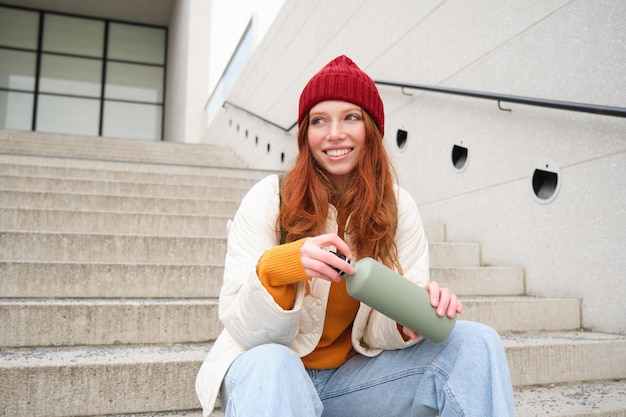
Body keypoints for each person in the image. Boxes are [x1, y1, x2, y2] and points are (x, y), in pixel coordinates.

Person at [195, 55, 515, 417]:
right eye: (319, 120)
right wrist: (280, 267)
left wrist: (407, 320)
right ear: (306, 134)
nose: (334, 134)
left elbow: (377, 332)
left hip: (350, 383)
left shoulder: (397, 207)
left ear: (371, 130)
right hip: (266, 378)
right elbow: (244, 328)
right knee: (274, 363)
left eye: (350, 117)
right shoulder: (270, 197)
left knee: (476, 342)